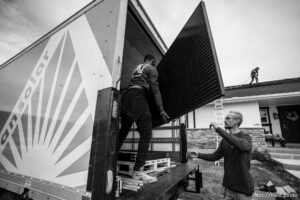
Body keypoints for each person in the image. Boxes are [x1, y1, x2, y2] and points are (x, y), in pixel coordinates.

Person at [117, 54, 169, 183]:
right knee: (146, 134)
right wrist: (161, 109)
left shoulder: (136, 68)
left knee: (122, 133)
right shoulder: (152, 69)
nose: (155, 65)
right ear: (152, 61)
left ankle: (108, 163)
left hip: (127, 98)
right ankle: (137, 172)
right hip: (138, 98)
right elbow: (155, 88)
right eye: (154, 63)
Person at [188, 111, 254, 200]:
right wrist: (198, 155)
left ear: (237, 121)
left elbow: (241, 145)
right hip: (229, 187)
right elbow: (215, 156)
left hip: (243, 189)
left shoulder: (245, 137)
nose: (224, 120)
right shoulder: (225, 140)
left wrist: (218, 129)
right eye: (225, 118)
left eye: (228, 118)